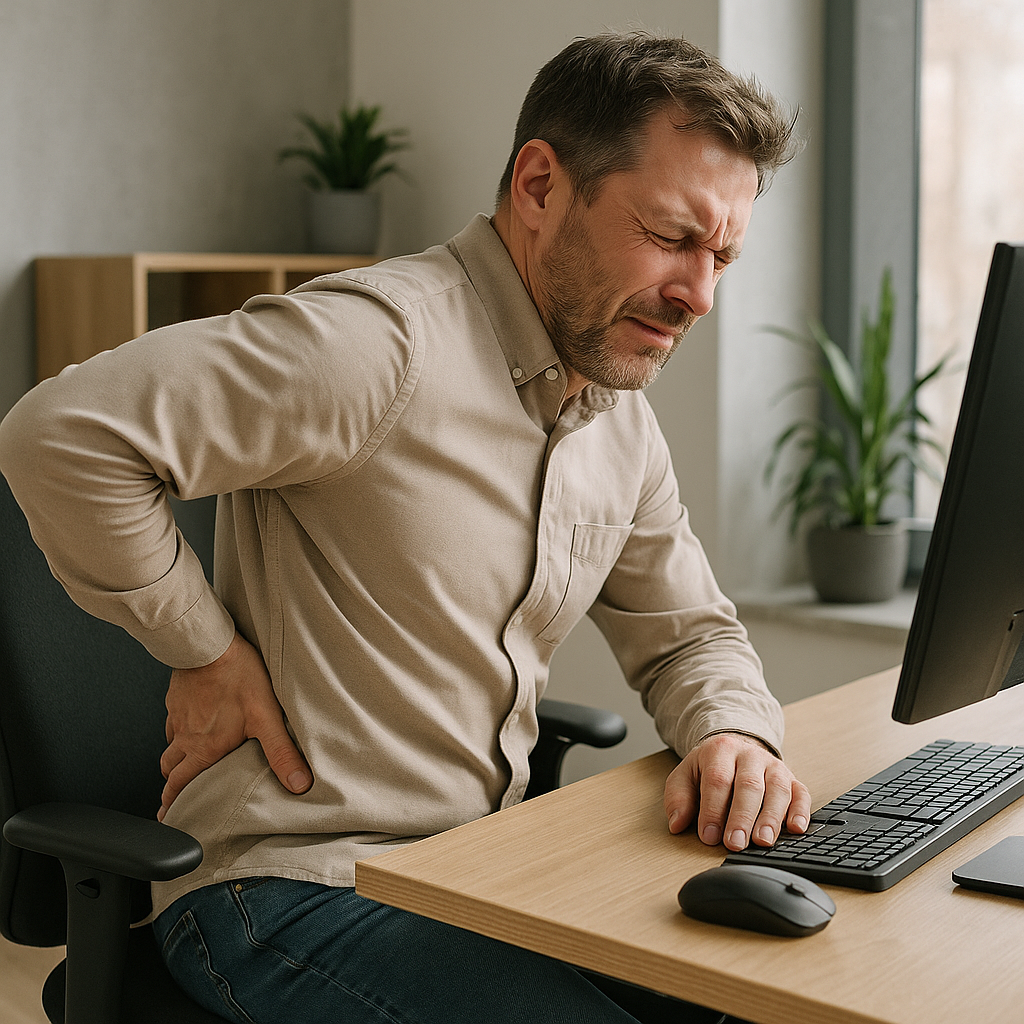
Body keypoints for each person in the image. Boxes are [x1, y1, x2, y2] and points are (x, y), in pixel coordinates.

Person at [0, 31, 810, 1024]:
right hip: (289, 890)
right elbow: (58, 436)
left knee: (756, 1002)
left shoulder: (612, 413)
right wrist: (202, 648)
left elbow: (687, 631)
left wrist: (733, 734)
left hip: (469, 877)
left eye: (722, 254)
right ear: (540, 184)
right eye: (669, 235)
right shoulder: (377, 347)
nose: (699, 294)